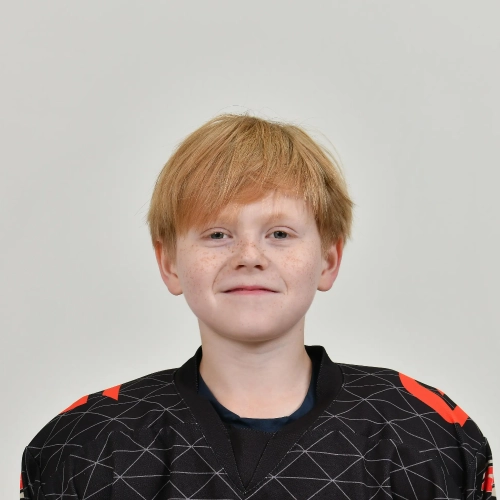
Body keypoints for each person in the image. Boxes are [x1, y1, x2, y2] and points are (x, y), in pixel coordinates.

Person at [20, 113, 495, 499]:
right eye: (217, 234)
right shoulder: (87, 443)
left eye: (279, 234)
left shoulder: (424, 433)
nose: (249, 256)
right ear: (169, 264)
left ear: (328, 260)